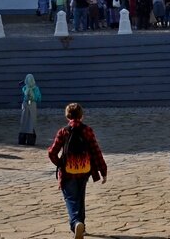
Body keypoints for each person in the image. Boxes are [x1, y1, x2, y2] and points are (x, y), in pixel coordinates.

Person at [47, 102, 107, 239]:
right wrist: (103, 171)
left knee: (71, 199)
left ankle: (76, 223)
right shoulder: (88, 130)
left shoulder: (63, 132)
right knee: (80, 198)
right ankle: (82, 226)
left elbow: (52, 152)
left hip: (68, 172)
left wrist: (61, 163)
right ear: (82, 116)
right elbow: (96, 151)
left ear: (67, 116)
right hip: (84, 170)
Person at [18, 74, 41, 145]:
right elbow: (38, 98)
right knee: (32, 121)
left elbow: (23, 89)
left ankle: (22, 139)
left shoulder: (25, 88)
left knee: (24, 120)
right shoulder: (36, 88)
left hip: (25, 104)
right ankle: (30, 139)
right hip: (32, 104)